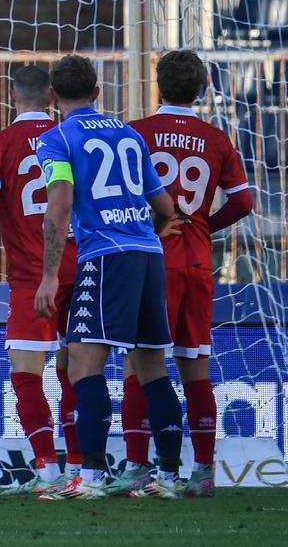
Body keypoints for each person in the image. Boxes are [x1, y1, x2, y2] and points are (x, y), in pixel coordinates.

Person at [33, 55, 185, 500]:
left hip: (105, 258)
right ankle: (169, 478)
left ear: (52, 97)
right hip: (147, 256)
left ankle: (92, 479)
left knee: (83, 363)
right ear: (98, 93)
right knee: (152, 367)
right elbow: (165, 207)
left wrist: (48, 277)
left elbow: (59, 206)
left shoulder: (57, 138)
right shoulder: (131, 134)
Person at [108, 50, 252, 497]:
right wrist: (204, 225)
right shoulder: (216, 138)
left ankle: (138, 466)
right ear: (202, 89)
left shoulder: (136, 133)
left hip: (151, 261)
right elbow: (244, 202)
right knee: (196, 367)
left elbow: (123, 196)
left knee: (139, 366)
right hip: (196, 263)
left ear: (158, 86)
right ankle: (204, 471)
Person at [0, 65, 82, 495]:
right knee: (78, 373)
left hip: (32, 276)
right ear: (51, 96)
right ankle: (83, 472)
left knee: (27, 374)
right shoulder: (71, 138)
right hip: (81, 267)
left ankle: (48, 471)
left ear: (12, 97)